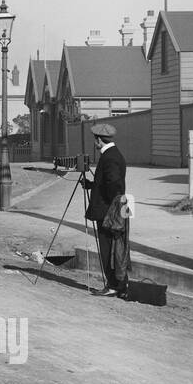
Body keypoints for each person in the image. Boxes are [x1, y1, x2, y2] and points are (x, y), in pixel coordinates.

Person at [81, 121, 129, 297]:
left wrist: (109, 205)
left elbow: (114, 184)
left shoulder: (109, 157)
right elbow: (108, 182)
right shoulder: (113, 154)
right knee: (114, 247)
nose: (94, 143)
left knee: (109, 248)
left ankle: (114, 285)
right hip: (114, 208)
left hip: (110, 211)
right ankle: (117, 284)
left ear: (99, 140)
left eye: (95, 140)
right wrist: (92, 185)